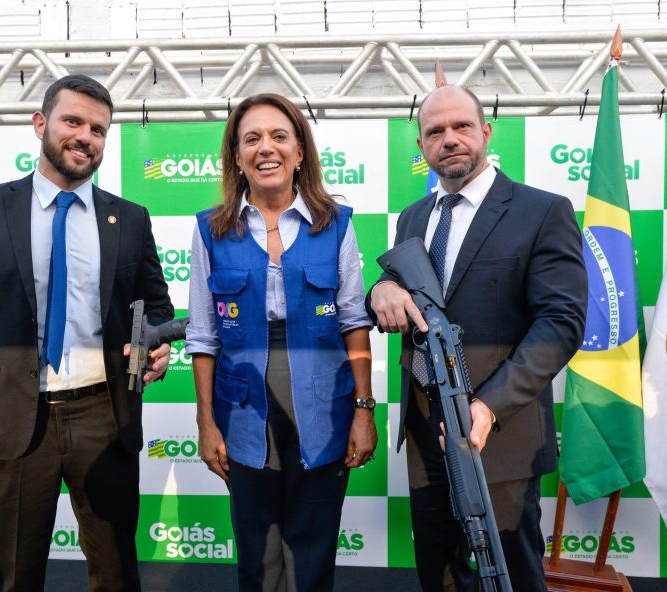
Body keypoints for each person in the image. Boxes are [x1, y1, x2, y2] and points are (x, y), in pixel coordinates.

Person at [0, 74, 174, 592]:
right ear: (40, 123)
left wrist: (157, 347)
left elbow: (155, 306)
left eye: (99, 129)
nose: (86, 136)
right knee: (13, 577)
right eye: (73, 121)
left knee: (116, 572)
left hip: (104, 416)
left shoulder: (129, 218)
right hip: (10, 417)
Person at [368, 85, 587, 591]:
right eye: (435, 132)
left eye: (461, 126)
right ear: (421, 146)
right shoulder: (413, 218)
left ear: (486, 131)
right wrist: (380, 289)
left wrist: (488, 407)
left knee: (510, 575)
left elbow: (561, 323)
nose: (449, 139)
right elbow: (406, 301)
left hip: (502, 434)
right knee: (439, 574)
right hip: (427, 434)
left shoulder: (542, 211)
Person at [186, 93, 377, 592]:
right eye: (251, 139)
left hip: (325, 402)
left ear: (299, 152)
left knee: (312, 547)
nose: (265, 148)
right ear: (236, 156)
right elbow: (203, 336)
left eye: (278, 136)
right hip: (242, 406)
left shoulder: (336, 223)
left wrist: (363, 411)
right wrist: (206, 421)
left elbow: (354, 320)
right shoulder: (210, 230)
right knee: (258, 550)